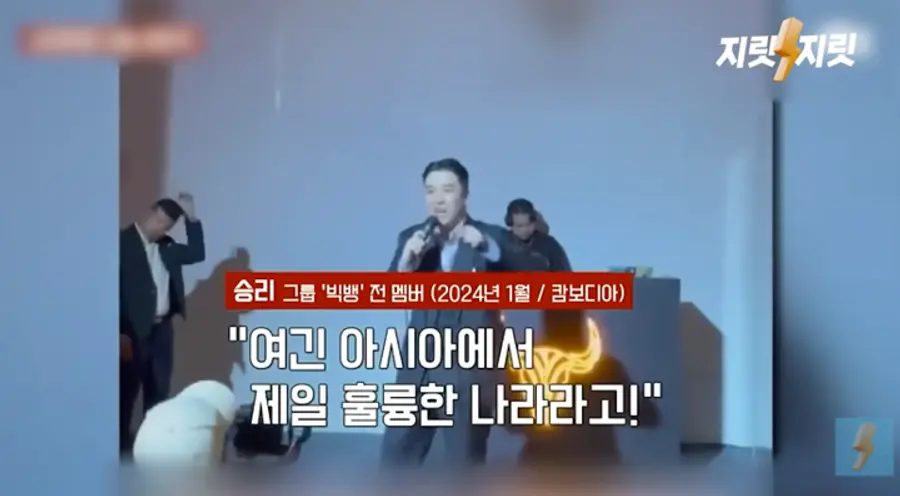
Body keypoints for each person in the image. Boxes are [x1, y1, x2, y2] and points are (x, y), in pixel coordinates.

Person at [381, 158, 527, 468]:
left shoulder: (492, 237)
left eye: (447, 190)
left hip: (468, 372)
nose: (438, 199)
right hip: (417, 370)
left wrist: (486, 248)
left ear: (465, 194)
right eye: (430, 191)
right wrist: (406, 266)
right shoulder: (412, 237)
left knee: (464, 465)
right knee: (395, 461)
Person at [120, 194, 205, 454]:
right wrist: (120, 332)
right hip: (133, 332)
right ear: (149, 214)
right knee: (126, 392)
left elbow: (197, 253)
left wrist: (192, 218)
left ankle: (153, 445)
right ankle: (120, 447)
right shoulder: (122, 243)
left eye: (167, 226)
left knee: (158, 392)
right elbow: (113, 291)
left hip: (162, 331)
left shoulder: (167, 246)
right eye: (158, 221)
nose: (161, 229)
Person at [504, 198, 571, 272]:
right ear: (510, 224)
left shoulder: (550, 245)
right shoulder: (502, 247)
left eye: (528, 224)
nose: (525, 230)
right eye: (519, 226)